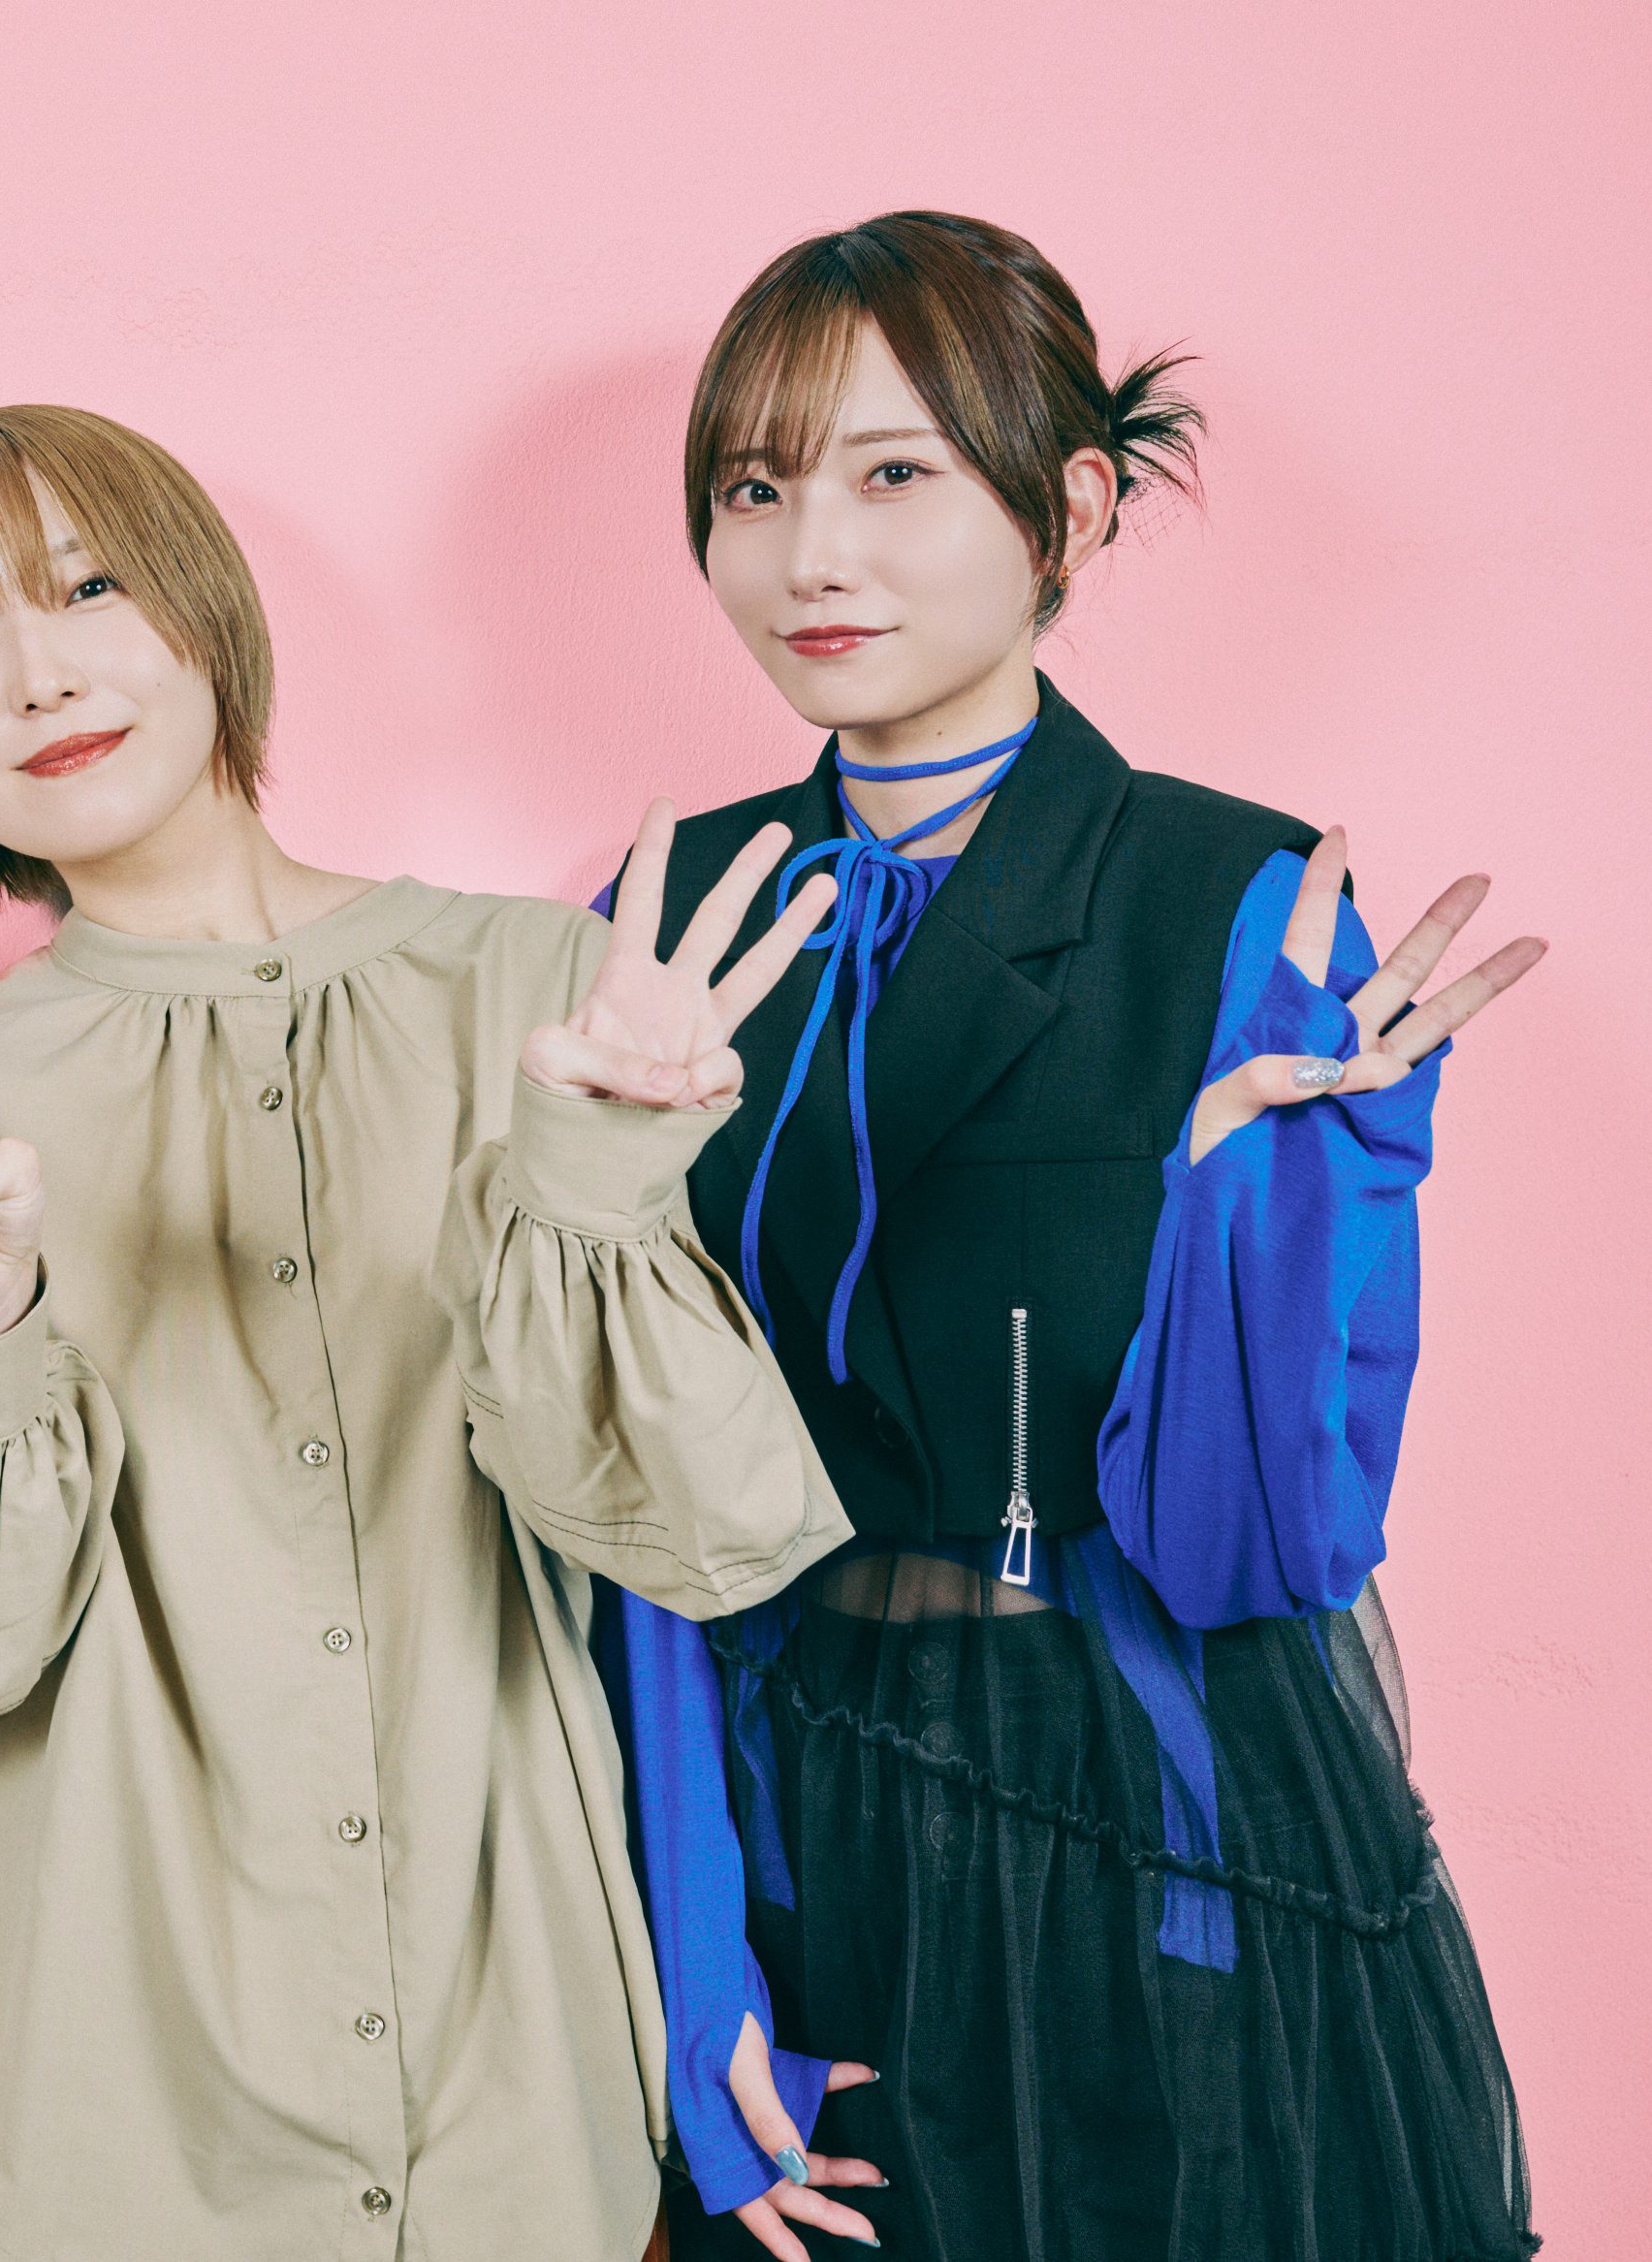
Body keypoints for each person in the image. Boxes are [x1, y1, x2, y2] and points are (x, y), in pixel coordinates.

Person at [0, 402, 853, 2262]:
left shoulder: (542, 993)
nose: (37, 672)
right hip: (89, 2115)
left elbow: (695, 1531)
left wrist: (587, 1185)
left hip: (508, 2100)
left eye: (89, 586)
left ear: (207, 614)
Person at [615, 210, 1542, 2261]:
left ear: (1075, 507)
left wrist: (1261, 1199)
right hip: (787, 1792)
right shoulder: (668, 906)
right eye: (754, 489)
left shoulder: (1242, 902)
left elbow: (1259, 1546)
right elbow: (635, 1490)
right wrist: (691, 1960)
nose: (811, 556)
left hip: (1144, 1797)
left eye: (894, 474)